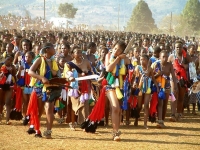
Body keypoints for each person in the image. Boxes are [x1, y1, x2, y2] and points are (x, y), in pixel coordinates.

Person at [26, 42, 59, 138]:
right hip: (40, 87)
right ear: (47, 50)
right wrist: (41, 77)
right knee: (39, 111)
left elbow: (56, 74)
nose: (55, 49)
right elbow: (30, 72)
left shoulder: (53, 61)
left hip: (51, 87)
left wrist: (56, 74)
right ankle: (36, 127)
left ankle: (48, 132)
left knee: (49, 108)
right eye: (53, 48)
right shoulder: (39, 59)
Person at [151, 50, 177, 127]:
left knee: (165, 103)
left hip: (167, 86)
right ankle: (159, 120)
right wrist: (158, 74)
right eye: (163, 57)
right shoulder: (156, 64)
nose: (165, 58)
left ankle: (162, 120)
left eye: (166, 57)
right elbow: (152, 77)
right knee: (160, 103)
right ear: (160, 57)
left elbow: (173, 75)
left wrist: (175, 86)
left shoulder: (170, 65)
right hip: (158, 86)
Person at [168, 40, 192, 121]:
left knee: (181, 97)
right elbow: (167, 66)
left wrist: (186, 66)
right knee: (174, 95)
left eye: (180, 47)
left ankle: (179, 114)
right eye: (177, 47)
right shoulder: (171, 56)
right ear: (174, 48)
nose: (178, 48)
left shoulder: (186, 56)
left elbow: (192, 66)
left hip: (183, 79)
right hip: (173, 78)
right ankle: (173, 114)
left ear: (182, 48)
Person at [133, 54, 158, 129]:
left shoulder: (149, 69)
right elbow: (135, 77)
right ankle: (136, 118)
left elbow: (153, 78)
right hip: (140, 88)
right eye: (140, 59)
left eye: (143, 59)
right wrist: (134, 84)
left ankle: (145, 123)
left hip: (147, 89)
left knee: (146, 105)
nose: (141, 61)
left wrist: (157, 87)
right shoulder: (138, 67)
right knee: (139, 106)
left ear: (147, 61)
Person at [0, 54, 16, 124]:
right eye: (8, 59)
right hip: (1, 84)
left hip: (9, 85)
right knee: (0, 102)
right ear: (5, 59)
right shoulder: (1, 65)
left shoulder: (13, 67)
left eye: (11, 60)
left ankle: (7, 120)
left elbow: (15, 76)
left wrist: (12, 72)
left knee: (8, 102)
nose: (9, 61)